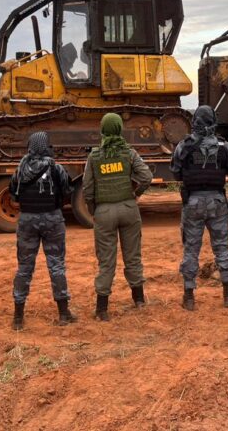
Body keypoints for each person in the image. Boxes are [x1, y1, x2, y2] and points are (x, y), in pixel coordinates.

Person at [82, 113, 153, 321]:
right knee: (133, 257)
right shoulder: (129, 153)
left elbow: (87, 189)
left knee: (106, 262)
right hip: (129, 209)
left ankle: (102, 310)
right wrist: (136, 194)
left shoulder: (94, 156)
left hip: (104, 212)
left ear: (103, 130)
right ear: (120, 129)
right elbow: (146, 177)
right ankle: (139, 300)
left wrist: (94, 210)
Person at [170, 106, 228, 311]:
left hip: (193, 203)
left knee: (191, 249)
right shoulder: (223, 146)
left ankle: (189, 297)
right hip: (217, 203)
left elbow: (176, 173)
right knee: (222, 247)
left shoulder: (184, 146)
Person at [9, 131, 75, 330]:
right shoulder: (56, 168)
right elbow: (67, 192)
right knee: (56, 265)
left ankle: (18, 317)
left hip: (27, 220)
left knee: (24, 268)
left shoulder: (20, 169)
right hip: (53, 218)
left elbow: (13, 196)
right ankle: (64, 313)